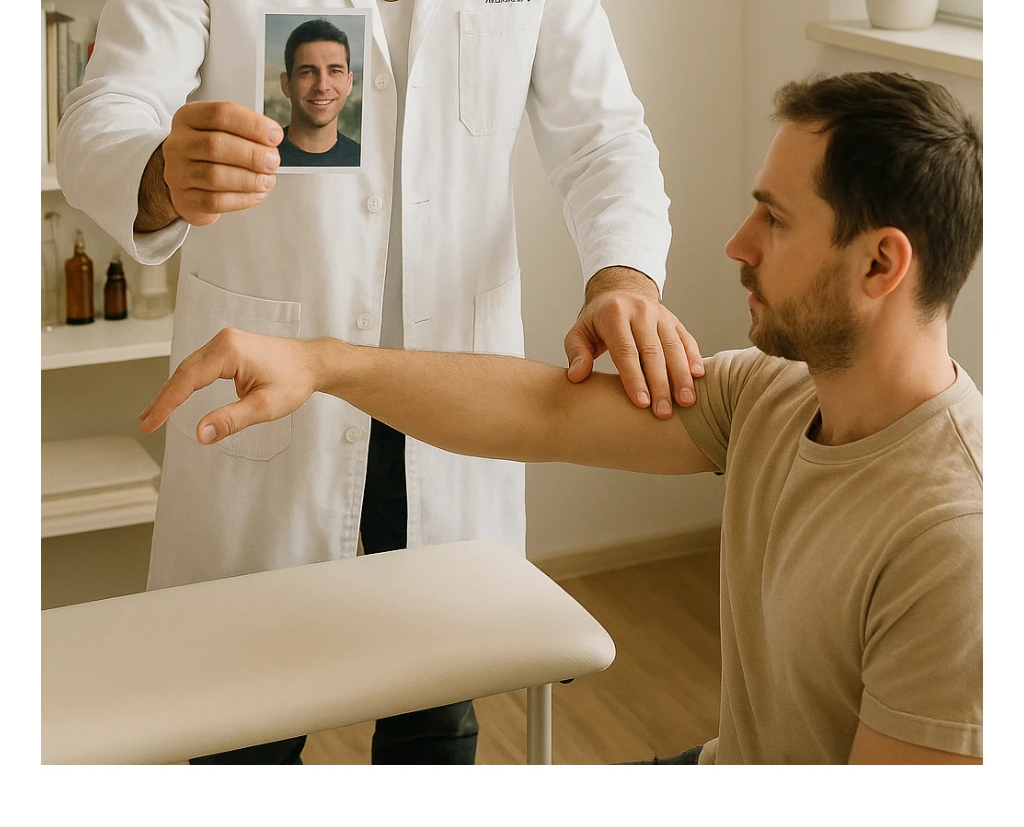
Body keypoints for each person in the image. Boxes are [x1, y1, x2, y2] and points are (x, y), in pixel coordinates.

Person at [56, 0, 703, 766]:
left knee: (437, 723)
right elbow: (103, 115)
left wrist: (624, 275)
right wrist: (158, 172)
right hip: (272, 398)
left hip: (452, 393)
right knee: (242, 732)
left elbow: (601, 131)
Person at [141, 72, 983, 767]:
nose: (738, 243)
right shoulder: (774, 397)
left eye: (776, 218)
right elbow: (541, 412)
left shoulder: (955, 545)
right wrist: (321, 365)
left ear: (881, 263)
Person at [275, 19, 360, 168]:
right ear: (286, 84)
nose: (322, 86)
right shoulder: (263, 157)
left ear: (349, 82)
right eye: (307, 72)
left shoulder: (361, 158)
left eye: (335, 71)